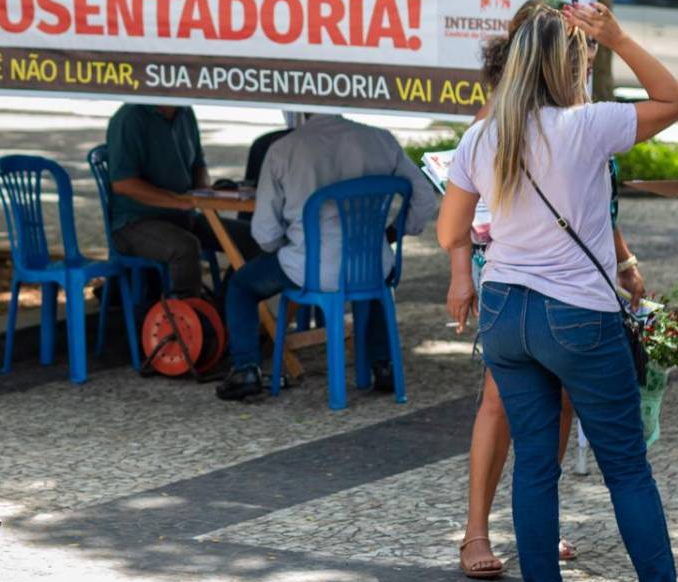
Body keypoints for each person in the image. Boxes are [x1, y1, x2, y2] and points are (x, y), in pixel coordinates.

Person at [438, 1, 678, 582]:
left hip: (506, 312)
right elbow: (676, 100)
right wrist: (619, 36)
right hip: (577, 315)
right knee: (626, 466)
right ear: (568, 68)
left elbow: (450, 229)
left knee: (535, 463)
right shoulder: (587, 125)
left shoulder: (482, 136)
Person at [457, 5, 647, 579]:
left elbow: (587, 202)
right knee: (500, 404)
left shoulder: (580, 114)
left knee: (554, 416)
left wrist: (623, 258)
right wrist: (460, 272)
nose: (586, 64)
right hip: (517, 270)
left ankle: (539, 549)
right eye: (580, 54)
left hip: (557, 280)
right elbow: (465, 199)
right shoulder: (504, 113)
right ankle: (476, 531)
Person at [215, 114, 437, 401]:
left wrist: (290, 242)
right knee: (375, 279)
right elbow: (424, 198)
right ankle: (383, 363)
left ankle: (246, 368)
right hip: (372, 264)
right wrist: (391, 234)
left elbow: (265, 234)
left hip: (310, 268)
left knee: (240, 285)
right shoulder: (381, 140)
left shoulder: (284, 149)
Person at [106, 103, 257, 300]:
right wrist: (177, 201)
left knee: (254, 238)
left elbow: (198, 164)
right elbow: (124, 184)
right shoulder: (130, 117)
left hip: (183, 216)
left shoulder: (185, 112)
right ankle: (184, 321)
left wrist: (203, 191)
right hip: (135, 222)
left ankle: (227, 307)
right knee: (185, 247)